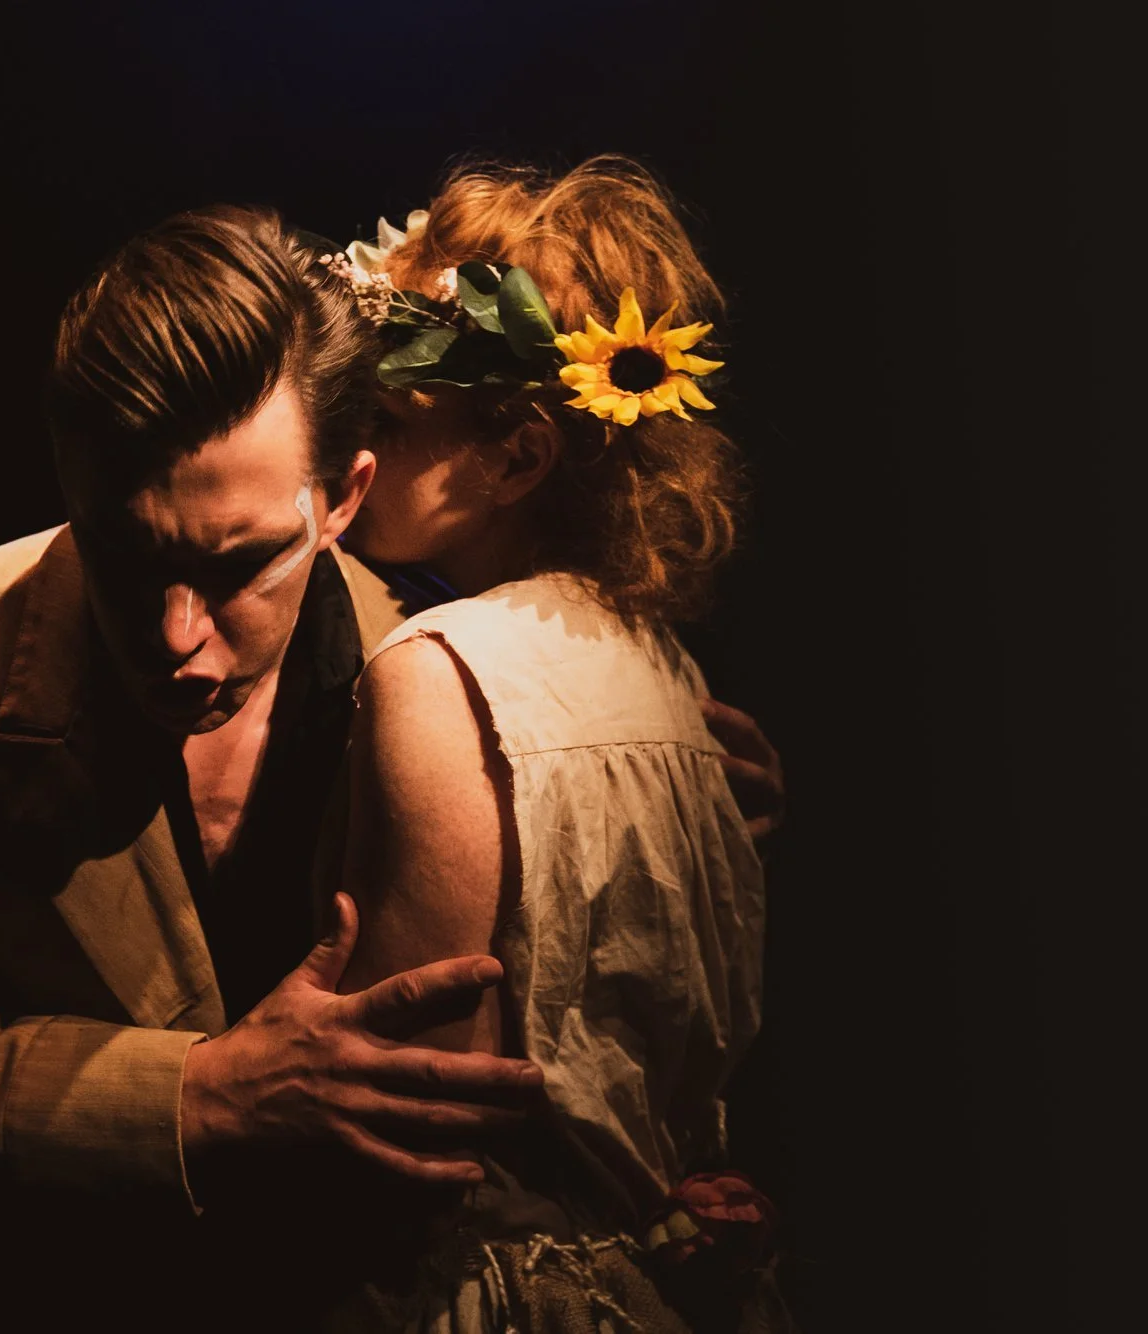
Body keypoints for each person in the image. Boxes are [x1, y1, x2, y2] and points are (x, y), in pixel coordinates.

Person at [0, 200, 784, 1331]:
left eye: (238, 564)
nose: (175, 635)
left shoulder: (445, 678)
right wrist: (198, 1095)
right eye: (123, 553)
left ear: (344, 497)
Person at [326, 157, 791, 1331]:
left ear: (520, 455)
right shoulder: (663, 665)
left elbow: (405, 1109)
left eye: (385, 420)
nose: (350, 457)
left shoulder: (439, 669)